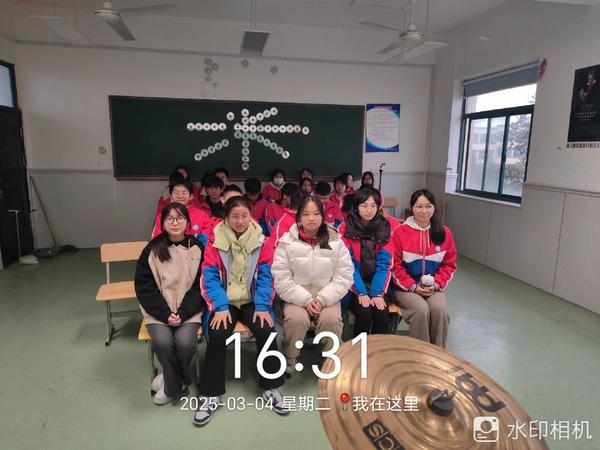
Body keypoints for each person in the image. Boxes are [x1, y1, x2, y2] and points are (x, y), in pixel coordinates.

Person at [194, 197, 288, 426]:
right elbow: (209, 278)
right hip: (225, 301)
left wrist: (263, 306)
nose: (240, 221)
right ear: (226, 218)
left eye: (244, 215)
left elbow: (266, 277)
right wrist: (220, 307)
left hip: (251, 300)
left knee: (266, 330)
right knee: (217, 333)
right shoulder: (214, 241)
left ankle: (272, 387)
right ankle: (210, 394)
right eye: (234, 216)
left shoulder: (262, 241)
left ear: (250, 216)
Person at [271, 195, 354, 376]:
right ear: (299, 217)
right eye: (306, 214)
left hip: (327, 297)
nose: (311, 218)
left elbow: (345, 275)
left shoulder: (336, 241)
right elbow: (281, 277)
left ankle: (331, 358)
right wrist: (306, 300)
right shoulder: (287, 242)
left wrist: (323, 299)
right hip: (297, 298)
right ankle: (290, 355)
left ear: (323, 217)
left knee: (331, 320)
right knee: (296, 320)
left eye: (316, 214)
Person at [135, 203, 204, 405]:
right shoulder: (152, 249)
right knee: (163, 342)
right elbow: (144, 288)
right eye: (170, 219)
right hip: (158, 312)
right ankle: (175, 386)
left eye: (180, 218)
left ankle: (169, 379)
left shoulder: (197, 248)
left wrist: (183, 313)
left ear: (187, 222)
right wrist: (165, 314)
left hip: (188, 311)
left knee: (185, 343)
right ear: (163, 223)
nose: (175, 223)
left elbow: (200, 286)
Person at [392, 189, 457, 348]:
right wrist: (414, 287)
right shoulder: (399, 232)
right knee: (420, 310)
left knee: (440, 310)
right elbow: (395, 267)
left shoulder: (444, 232)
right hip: (404, 288)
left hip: (433, 287)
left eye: (428, 206)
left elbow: (449, 265)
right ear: (411, 207)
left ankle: (438, 354)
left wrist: (436, 284)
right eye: (419, 206)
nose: (424, 211)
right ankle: (421, 355)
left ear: (434, 208)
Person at [339, 187, 393, 337]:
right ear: (356, 207)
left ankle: (377, 350)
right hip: (353, 286)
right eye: (364, 206)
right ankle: (359, 349)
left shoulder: (385, 228)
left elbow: (384, 266)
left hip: (377, 284)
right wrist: (361, 292)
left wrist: (377, 294)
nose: (369, 210)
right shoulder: (345, 228)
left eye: (373, 206)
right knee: (364, 313)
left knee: (381, 314)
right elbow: (347, 265)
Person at [151, 178, 212, 245]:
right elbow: (156, 240)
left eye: (184, 193)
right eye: (176, 193)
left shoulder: (202, 216)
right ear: (170, 196)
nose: (180, 196)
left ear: (191, 196)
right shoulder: (162, 215)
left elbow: (206, 242)